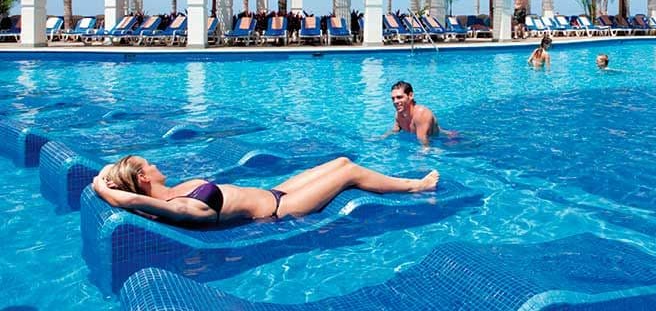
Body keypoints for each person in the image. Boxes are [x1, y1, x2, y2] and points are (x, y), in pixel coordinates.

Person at [92, 155, 439, 225]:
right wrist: (111, 192)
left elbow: (111, 176)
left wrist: (103, 180)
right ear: (141, 180)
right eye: (147, 163)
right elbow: (125, 196)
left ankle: (410, 183)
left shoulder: (167, 193)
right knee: (349, 172)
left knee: (340, 160)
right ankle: (414, 186)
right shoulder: (176, 206)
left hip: (275, 192)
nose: (154, 163)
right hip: (279, 210)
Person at [388, 80, 441, 146]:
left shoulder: (421, 114)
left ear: (410, 95)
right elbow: (394, 131)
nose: (395, 101)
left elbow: (426, 146)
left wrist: (417, 156)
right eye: (393, 99)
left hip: (443, 139)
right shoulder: (399, 114)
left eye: (399, 97)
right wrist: (378, 139)